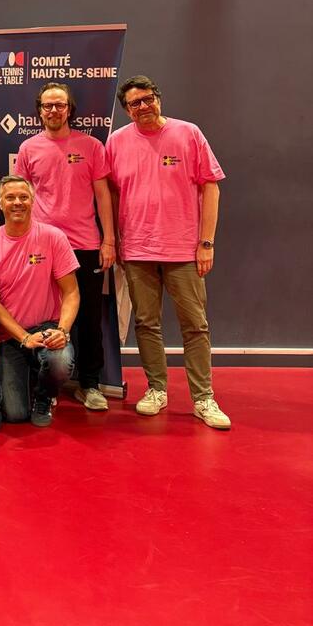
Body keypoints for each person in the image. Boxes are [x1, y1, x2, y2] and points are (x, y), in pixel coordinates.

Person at [106, 75, 230, 429]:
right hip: (137, 249)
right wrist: (115, 240)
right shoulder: (116, 142)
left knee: (195, 326)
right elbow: (111, 193)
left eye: (148, 99)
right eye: (135, 103)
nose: (143, 106)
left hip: (183, 249)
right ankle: (156, 390)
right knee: (146, 324)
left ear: (158, 98)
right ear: (127, 110)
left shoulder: (188, 133)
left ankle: (203, 398)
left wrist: (206, 242)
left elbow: (211, 187)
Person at [15, 83, 116, 411]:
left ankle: (90, 384)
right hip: (43, 245)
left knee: (89, 316)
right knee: (42, 314)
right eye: (47, 106)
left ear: (69, 109)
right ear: (39, 111)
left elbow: (103, 195)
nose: (53, 111)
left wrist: (108, 240)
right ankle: (47, 382)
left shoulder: (92, 146)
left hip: (85, 244)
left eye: (59, 105)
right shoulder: (28, 148)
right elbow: (21, 198)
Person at [0, 176, 79, 428]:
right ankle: (30, 375)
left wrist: (62, 331)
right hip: (9, 336)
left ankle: (44, 397)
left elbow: (72, 292)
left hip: (47, 326)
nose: (17, 202)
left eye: (23, 197)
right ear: (0, 204)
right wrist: (24, 337)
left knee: (60, 362)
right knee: (14, 414)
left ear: (33, 201)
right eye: (10, 197)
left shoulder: (53, 237)